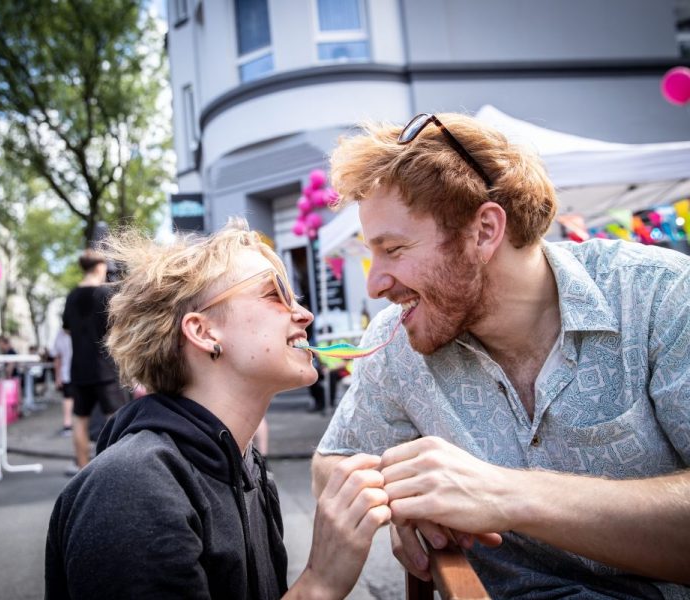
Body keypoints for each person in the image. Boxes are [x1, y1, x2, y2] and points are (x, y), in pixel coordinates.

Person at [311, 113, 690, 597]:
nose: (375, 284)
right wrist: (399, 496)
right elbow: (332, 465)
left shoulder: (659, 296)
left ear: (485, 230)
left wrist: (506, 495)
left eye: (394, 249)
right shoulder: (398, 341)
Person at [45, 219, 391, 599]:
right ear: (204, 332)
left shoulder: (248, 470)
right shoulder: (130, 492)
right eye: (275, 295)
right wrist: (320, 584)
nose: (304, 314)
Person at [61, 249, 126, 471]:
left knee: (80, 418)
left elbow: (67, 329)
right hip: (105, 368)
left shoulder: (71, 296)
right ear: (100, 267)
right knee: (115, 419)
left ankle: (82, 469)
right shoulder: (104, 293)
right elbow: (118, 329)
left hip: (79, 368)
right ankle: (116, 469)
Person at [50, 328, 74, 437]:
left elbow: (57, 358)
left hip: (69, 373)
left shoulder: (60, 334)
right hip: (70, 373)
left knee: (68, 399)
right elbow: (57, 358)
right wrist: (58, 377)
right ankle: (68, 425)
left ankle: (68, 425)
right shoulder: (60, 334)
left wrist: (57, 377)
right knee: (69, 399)